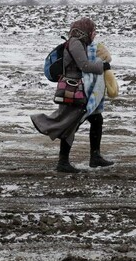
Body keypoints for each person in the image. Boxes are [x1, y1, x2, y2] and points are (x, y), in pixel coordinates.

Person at [31, 17, 115, 173]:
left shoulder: (80, 42)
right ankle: (63, 161)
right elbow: (84, 65)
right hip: (73, 89)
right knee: (70, 124)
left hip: (78, 89)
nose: (94, 35)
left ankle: (95, 157)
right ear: (85, 31)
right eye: (93, 31)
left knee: (96, 119)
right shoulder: (76, 43)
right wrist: (102, 65)